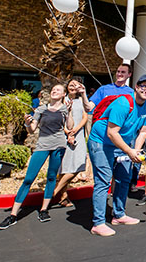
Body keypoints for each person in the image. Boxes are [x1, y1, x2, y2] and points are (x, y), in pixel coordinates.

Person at [87, 74, 146, 236]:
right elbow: (112, 132)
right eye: (143, 86)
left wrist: (136, 151)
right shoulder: (124, 103)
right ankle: (98, 223)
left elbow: (143, 131)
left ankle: (118, 214)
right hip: (102, 141)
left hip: (122, 144)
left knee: (124, 178)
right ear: (136, 87)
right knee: (104, 180)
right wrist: (129, 151)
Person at [0, 84, 73, 230]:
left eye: (58, 90)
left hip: (58, 145)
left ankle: (44, 210)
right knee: (28, 179)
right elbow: (32, 130)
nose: (54, 91)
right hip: (42, 146)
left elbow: (69, 127)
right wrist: (27, 123)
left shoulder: (64, 109)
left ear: (64, 94)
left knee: (51, 177)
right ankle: (13, 215)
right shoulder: (41, 109)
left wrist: (69, 112)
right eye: (53, 90)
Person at [51, 79, 88, 208]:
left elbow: (85, 118)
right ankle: (63, 197)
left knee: (79, 165)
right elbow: (59, 119)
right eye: (71, 84)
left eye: (76, 85)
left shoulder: (82, 100)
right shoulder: (62, 99)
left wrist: (75, 131)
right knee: (64, 166)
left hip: (78, 135)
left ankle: (53, 192)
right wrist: (68, 133)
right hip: (64, 135)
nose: (73, 87)